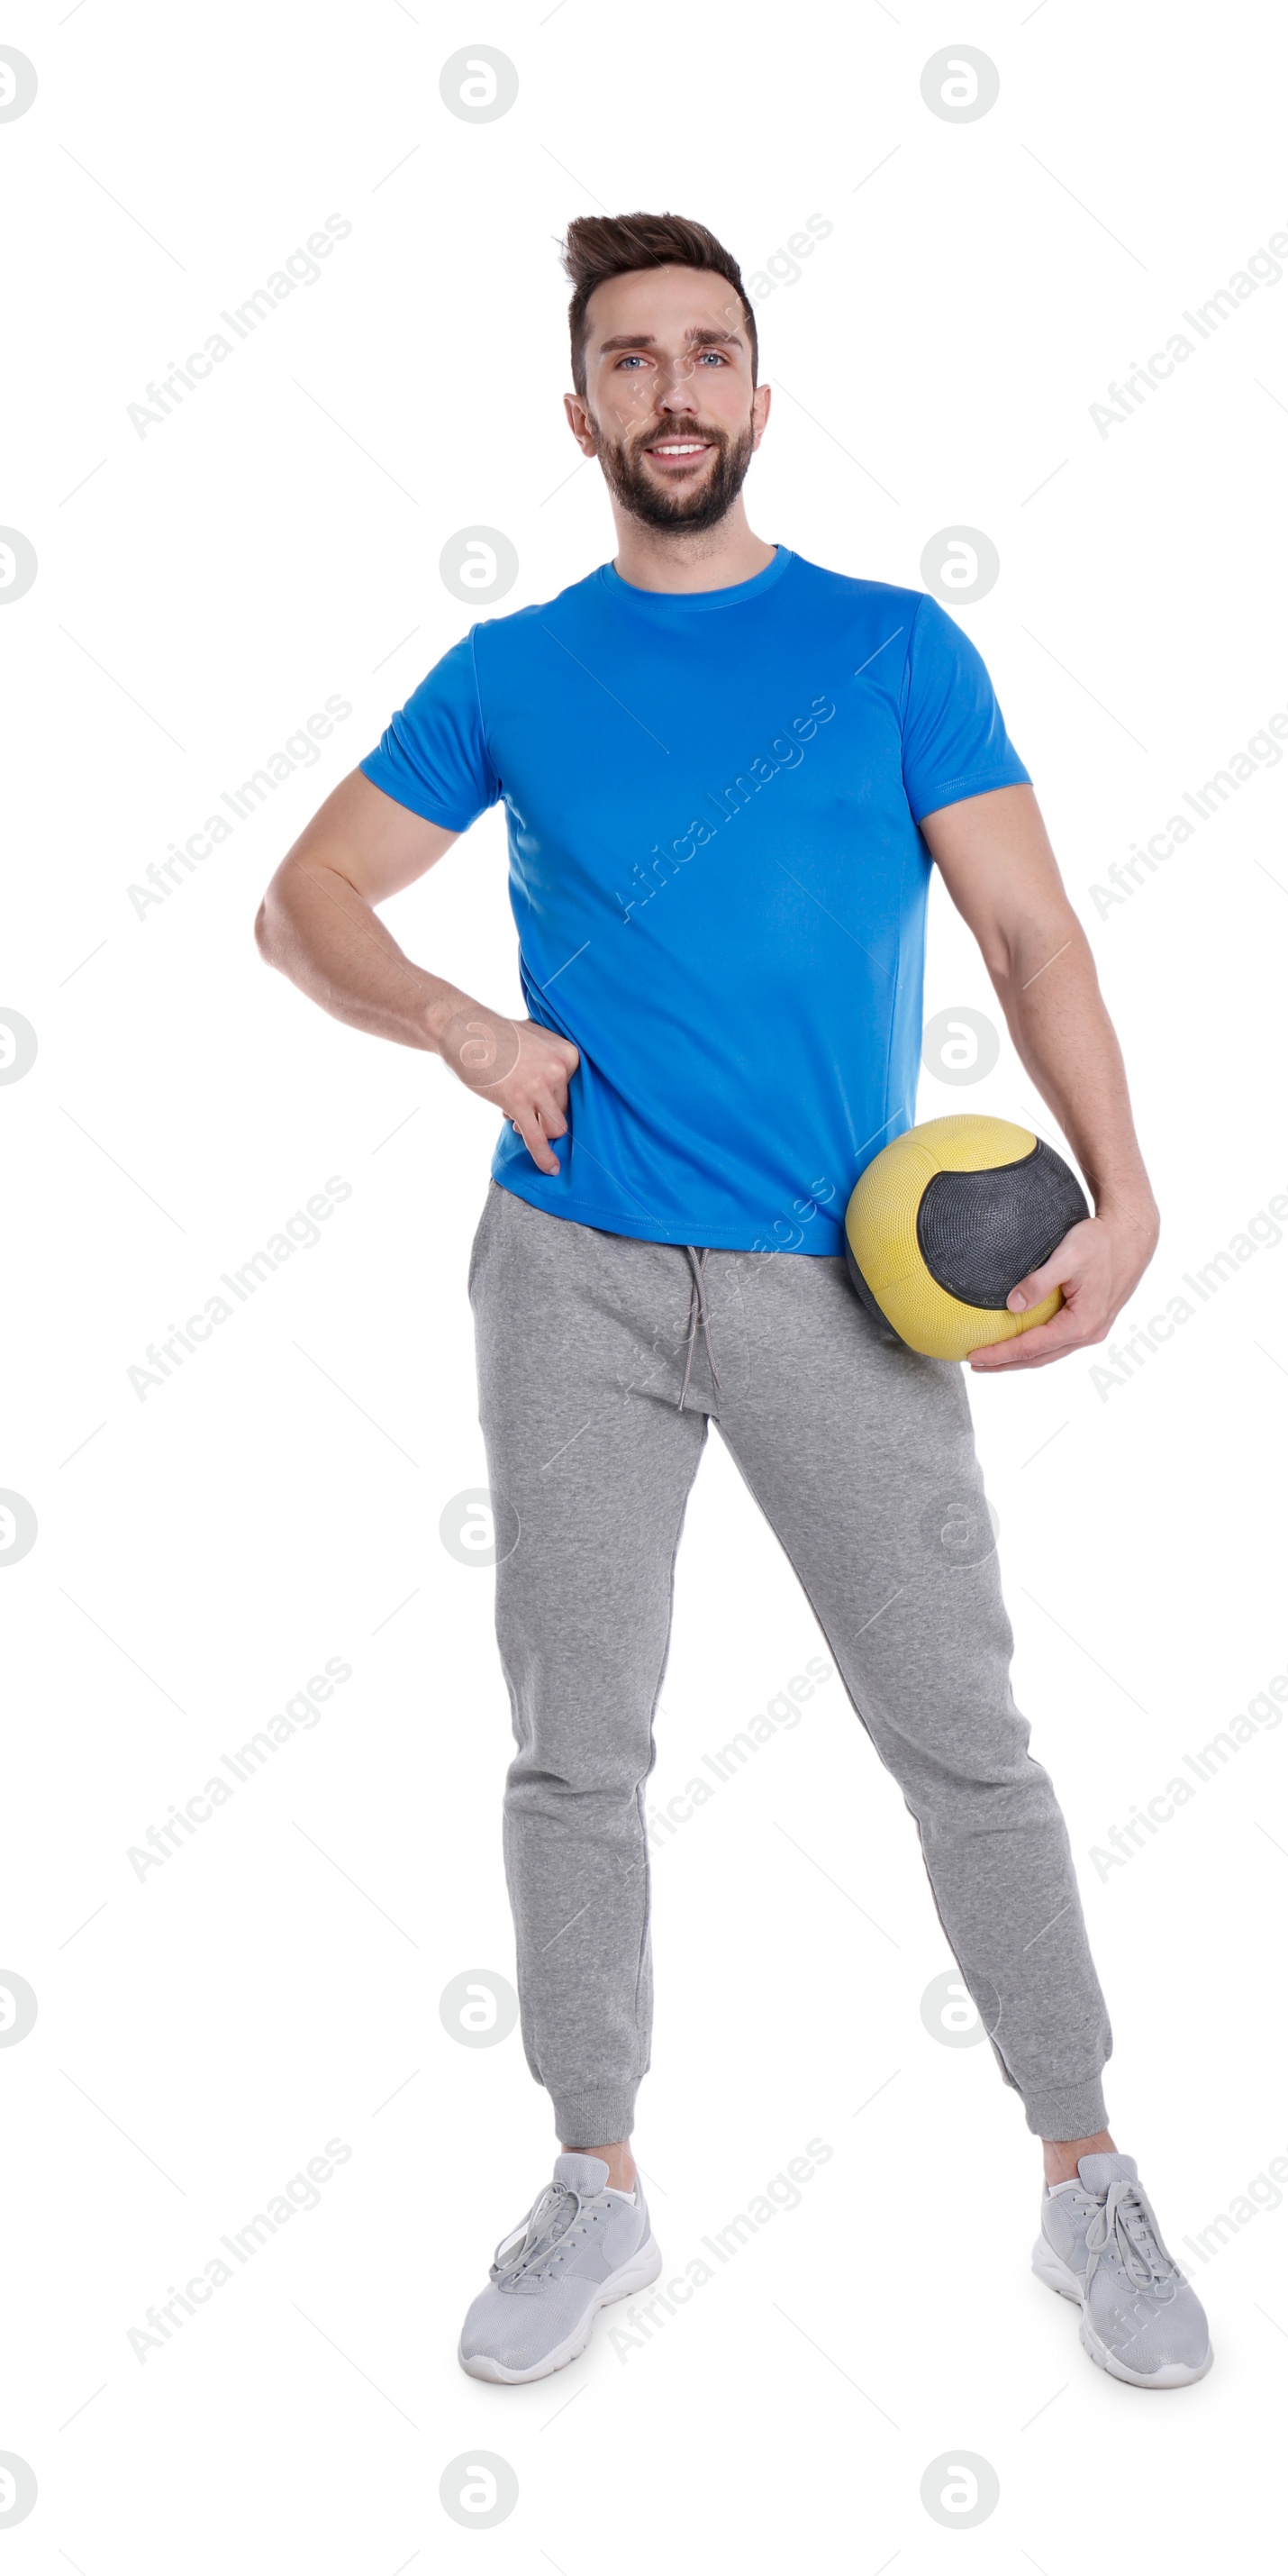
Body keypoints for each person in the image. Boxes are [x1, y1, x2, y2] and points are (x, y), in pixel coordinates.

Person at [254, 210, 1211, 2392]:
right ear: (577, 412)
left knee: (963, 1746)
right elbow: (301, 899)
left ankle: (1084, 2173)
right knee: (570, 1753)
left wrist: (1130, 1188)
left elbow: (1033, 940)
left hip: (841, 1289)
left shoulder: (890, 650)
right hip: (568, 1273)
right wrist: (459, 1032)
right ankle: (594, 2177)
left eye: (708, 350)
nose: (671, 388)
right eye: (630, 357)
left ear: (757, 398)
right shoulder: (509, 669)